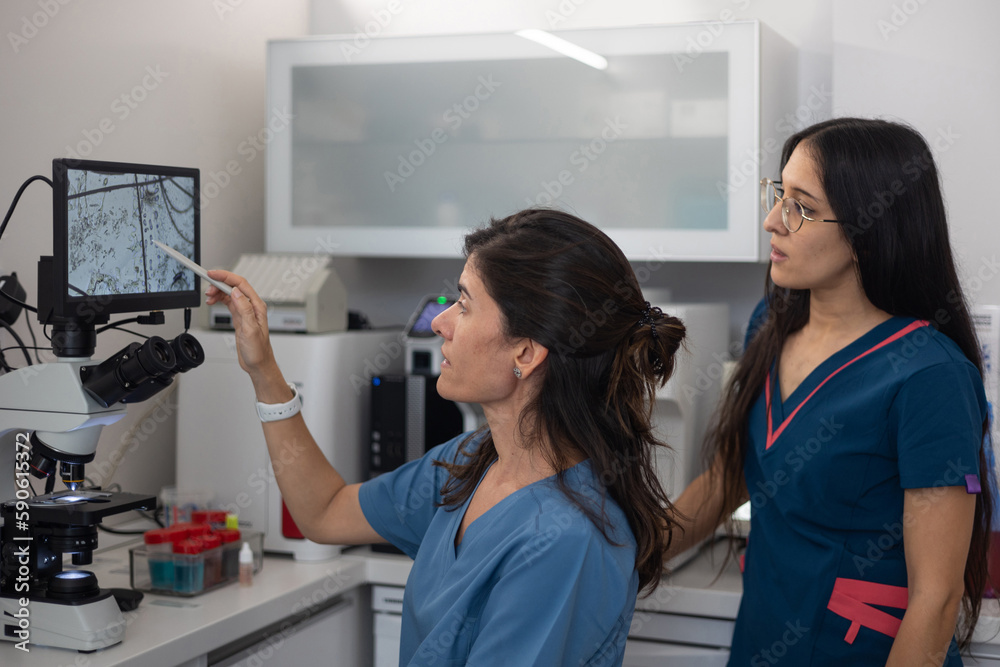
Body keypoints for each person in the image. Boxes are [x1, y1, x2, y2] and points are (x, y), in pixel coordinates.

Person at [205, 209, 687, 666]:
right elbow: (325, 513)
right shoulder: (473, 461)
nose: (439, 322)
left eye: (463, 304)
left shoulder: (564, 543)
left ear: (525, 351)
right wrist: (263, 368)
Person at [667, 117, 993, 666]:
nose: (772, 220)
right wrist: (623, 554)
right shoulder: (770, 323)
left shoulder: (929, 375)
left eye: (801, 206)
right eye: (779, 194)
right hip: (762, 638)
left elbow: (936, 601)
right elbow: (728, 478)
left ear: (869, 229)